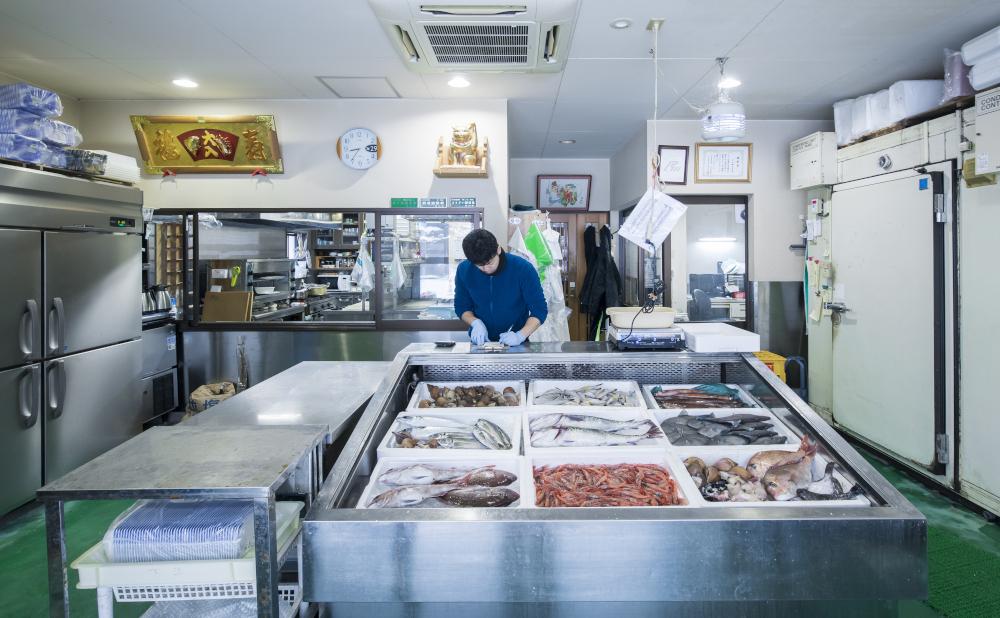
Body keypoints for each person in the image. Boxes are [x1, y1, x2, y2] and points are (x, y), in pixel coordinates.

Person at [454, 229, 547, 346]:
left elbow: (539, 310)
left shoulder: (523, 269)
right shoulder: (464, 270)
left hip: (515, 344)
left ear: (498, 249)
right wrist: (475, 322)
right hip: (480, 343)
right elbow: (461, 306)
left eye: (489, 263)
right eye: (479, 266)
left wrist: (520, 335)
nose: (486, 269)